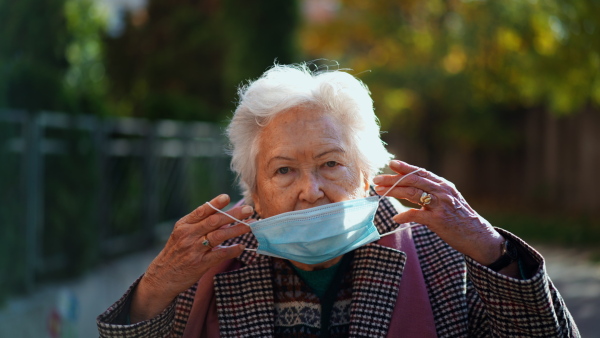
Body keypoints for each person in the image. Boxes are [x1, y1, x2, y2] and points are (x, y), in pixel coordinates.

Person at [97, 63, 579, 337]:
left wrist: (494, 252)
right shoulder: (210, 266)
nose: (311, 190)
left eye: (331, 164)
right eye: (284, 170)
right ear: (255, 195)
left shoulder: (442, 253)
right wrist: (155, 286)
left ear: (368, 176)